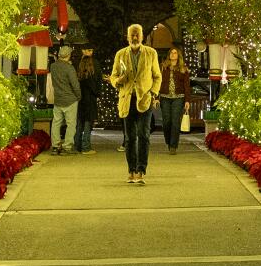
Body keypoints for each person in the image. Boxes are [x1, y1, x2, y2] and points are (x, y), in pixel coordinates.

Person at [110, 23, 161, 183]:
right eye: (131, 34)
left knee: (144, 135)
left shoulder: (151, 53)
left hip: (144, 100)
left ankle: (141, 170)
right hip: (126, 100)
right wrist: (119, 80)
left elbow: (157, 76)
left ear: (142, 36)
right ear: (127, 36)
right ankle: (131, 170)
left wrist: (153, 93)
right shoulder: (120, 54)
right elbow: (113, 77)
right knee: (130, 138)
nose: (134, 37)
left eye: (137, 34)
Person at [157, 46, 193, 154]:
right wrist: (155, 98)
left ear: (178, 55)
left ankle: (173, 146)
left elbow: (187, 86)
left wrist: (187, 100)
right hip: (165, 98)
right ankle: (168, 142)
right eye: (171, 53)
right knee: (167, 122)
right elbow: (157, 83)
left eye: (175, 53)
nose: (173, 54)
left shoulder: (183, 69)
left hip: (179, 98)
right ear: (169, 55)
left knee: (175, 122)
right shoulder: (163, 67)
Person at [47, 45, 80, 155]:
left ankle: (55, 146)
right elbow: (75, 84)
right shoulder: (69, 68)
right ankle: (67, 147)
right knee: (71, 124)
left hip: (58, 99)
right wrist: (78, 96)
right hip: (70, 99)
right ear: (68, 55)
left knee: (56, 123)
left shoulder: (53, 66)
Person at [74, 47, 100, 154]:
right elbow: (97, 81)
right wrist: (97, 94)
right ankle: (86, 146)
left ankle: (77, 145)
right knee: (88, 123)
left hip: (80, 98)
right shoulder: (95, 65)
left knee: (79, 122)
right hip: (90, 98)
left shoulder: (78, 66)